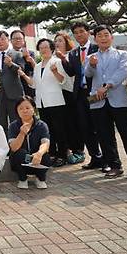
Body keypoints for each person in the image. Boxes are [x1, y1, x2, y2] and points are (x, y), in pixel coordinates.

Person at [85, 25, 127, 179]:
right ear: (95, 39)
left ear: (111, 37)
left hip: (119, 100)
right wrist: (91, 64)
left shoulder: (122, 54)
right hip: (98, 102)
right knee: (105, 136)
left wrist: (108, 85)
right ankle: (114, 165)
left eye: (106, 35)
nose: (103, 38)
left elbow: (123, 72)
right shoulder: (90, 57)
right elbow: (87, 74)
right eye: (99, 35)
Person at [17, 38, 69, 167]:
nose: (44, 50)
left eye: (46, 47)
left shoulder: (57, 62)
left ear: (52, 48)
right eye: (41, 48)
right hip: (41, 103)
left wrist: (55, 71)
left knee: (60, 130)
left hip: (55, 101)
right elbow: (34, 84)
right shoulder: (38, 66)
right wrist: (23, 75)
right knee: (48, 130)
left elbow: (63, 80)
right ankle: (51, 154)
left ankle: (62, 155)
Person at [70, 21, 104, 170]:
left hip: (94, 92)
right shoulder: (73, 53)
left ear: (88, 32)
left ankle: (107, 158)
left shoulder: (98, 48)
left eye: (81, 31)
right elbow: (73, 72)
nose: (79, 35)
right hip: (80, 94)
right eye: (76, 32)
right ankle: (95, 157)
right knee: (85, 127)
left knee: (98, 124)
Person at [8, 96, 53, 189]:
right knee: (19, 153)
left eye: (28, 108)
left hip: (37, 160)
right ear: (17, 111)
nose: (24, 111)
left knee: (45, 155)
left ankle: (40, 178)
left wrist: (39, 154)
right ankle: (22, 179)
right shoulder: (13, 126)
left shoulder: (42, 125)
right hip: (23, 160)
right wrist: (22, 133)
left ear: (34, 109)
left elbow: (45, 143)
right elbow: (13, 147)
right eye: (21, 108)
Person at [54, 31, 83, 164]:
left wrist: (63, 59)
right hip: (57, 94)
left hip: (70, 93)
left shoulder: (71, 56)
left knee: (74, 123)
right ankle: (66, 151)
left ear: (66, 42)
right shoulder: (52, 57)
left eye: (60, 40)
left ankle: (78, 150)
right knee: (63, 124)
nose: (57, 43)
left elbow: (72, 75)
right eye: (56, 41)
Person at [0, 30, 25, 133]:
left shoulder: (17, 54)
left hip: (14, 94)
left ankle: (18, 147)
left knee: (16, 122)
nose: (0, 42)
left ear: (8, 40)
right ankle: (4, 147)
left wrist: (10, 64)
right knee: (1, 123)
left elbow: (21, 70)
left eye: (2, 39)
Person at [11, 30, 36, 98]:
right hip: (11, 90)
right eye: (15, 39)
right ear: (11, 41)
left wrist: (27, 58)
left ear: (24, 40)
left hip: (27, 88)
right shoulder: (7, 54)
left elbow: (34, 70)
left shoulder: (30, 53)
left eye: (20, 38)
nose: (18, 40)